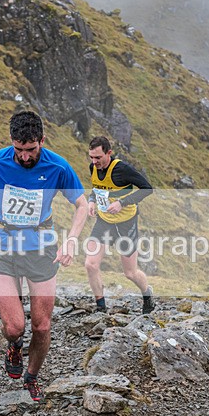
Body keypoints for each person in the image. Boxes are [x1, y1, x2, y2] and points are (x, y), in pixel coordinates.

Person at [0, 111, 88, 401]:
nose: (24, 157)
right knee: (15, 325)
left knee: (42, 325)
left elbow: (81, 205)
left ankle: (32, 376)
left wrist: (70, 241)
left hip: (41, 246)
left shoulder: (58, 166)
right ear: (11, 143)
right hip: (1, 244)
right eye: (18, 150)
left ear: (42, 141)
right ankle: (13, 344)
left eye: (31, 149)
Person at [84, 135, 155, 314]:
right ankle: (101, 308)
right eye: (91, 157)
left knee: (130, 273)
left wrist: (122, 203)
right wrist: (91, 200)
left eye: (98, 157)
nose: (94, 161)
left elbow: (147, 189)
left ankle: (147, 294)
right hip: (104, 222)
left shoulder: (122, 169)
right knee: (90, 265)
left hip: (126, 224)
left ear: (109, 153)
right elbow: (97, 188)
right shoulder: (93, 167)